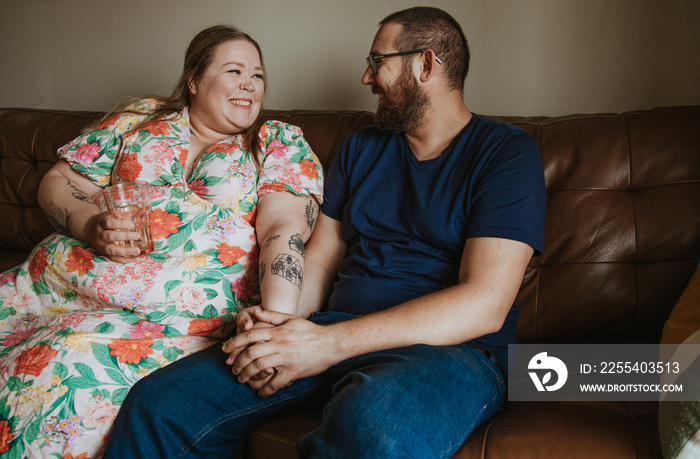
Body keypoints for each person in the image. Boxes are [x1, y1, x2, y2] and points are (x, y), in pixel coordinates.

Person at [104, 6, 546, 458]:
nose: (365, 78)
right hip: (330, 330)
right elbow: (320, 256)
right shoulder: (363, 147)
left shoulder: (506, 153)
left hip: (451, 352)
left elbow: (485, 303)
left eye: (378, 62)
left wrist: (325, 345)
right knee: (160, 404)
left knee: (375, 432)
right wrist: (283, 324)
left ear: (426, 64)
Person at [0, 25, 323, 458]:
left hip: (172, 317)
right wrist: (90, 223)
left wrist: (276, 324)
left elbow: (283, 230)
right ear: (193, 80)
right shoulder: (139, 120)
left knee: (57, 366)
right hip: (56, 283)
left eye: (258, 75)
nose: (250, 84)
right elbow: (58, 182)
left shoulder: (275, 143)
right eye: (234, 71)